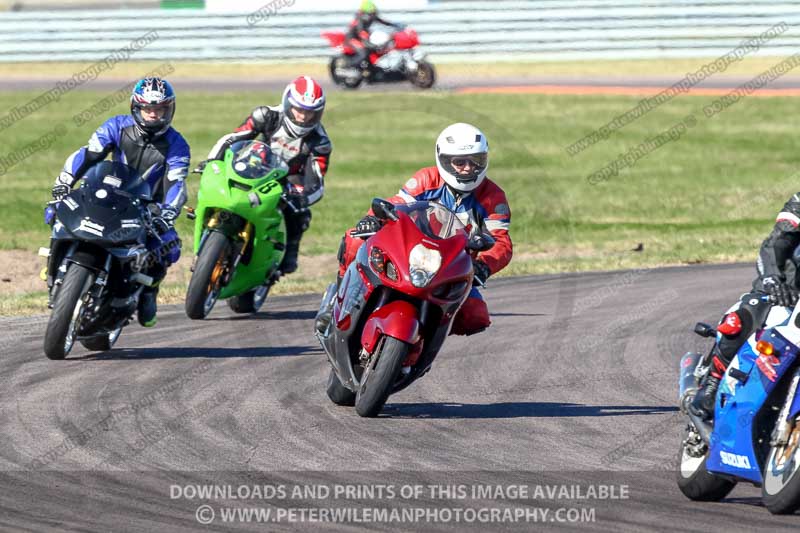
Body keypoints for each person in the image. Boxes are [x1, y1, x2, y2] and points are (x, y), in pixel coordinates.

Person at [337, 123, 512, 336]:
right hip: (410, 253)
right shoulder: (427, 178)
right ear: (444, 161)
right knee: (355, 239)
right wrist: (371, 220)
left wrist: (483, 265)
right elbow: (397, 203)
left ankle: (425, 336)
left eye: (475, 161)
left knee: (476, 316)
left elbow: (501, 242)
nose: (468, 168)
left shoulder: (494, 197)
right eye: (459, 162)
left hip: (454, 268)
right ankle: (339, 298)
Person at [49, 77, 190, 328]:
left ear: (170, 109)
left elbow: (177, 183)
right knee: (55, 211)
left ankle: (148, 292)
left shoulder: (177, 144)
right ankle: (55, 264)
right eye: (148, 110)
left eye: (159, 110)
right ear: (136, 108)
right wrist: (64, 181)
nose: (153, 116)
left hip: (147, 207)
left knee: (168, 246)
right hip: (107, 191)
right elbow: (88, 154)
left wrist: (167, 213)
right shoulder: (116, 125)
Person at [202, 76, 331, 275]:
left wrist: (304, 198)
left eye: (310, 113)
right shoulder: (266, 115)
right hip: (258, 163)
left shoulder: (320, 141)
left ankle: (290, 252)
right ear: (288, 103)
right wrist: (212, 161)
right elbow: (233, 139)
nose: (304, 117)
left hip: (291, 177)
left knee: (300, 214)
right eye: (299, 110)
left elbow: (317, 180)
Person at [691, 195, 800, 420]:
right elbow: (773, 245)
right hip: (783, 293)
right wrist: (772, 280)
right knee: (744, 317)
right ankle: (713, 380)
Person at [346, 0, 404, 72]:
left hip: (363, 37)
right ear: (365, 13)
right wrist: (371, 45)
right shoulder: (359, 20)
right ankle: (349, 67)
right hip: (353, 38)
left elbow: (383, 21)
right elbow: (361, 33)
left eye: (374, 13)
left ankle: (372, 69)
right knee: (364, 53)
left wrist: (395, 25)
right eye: (371, 13)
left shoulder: (371, 16)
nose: (373, 15)